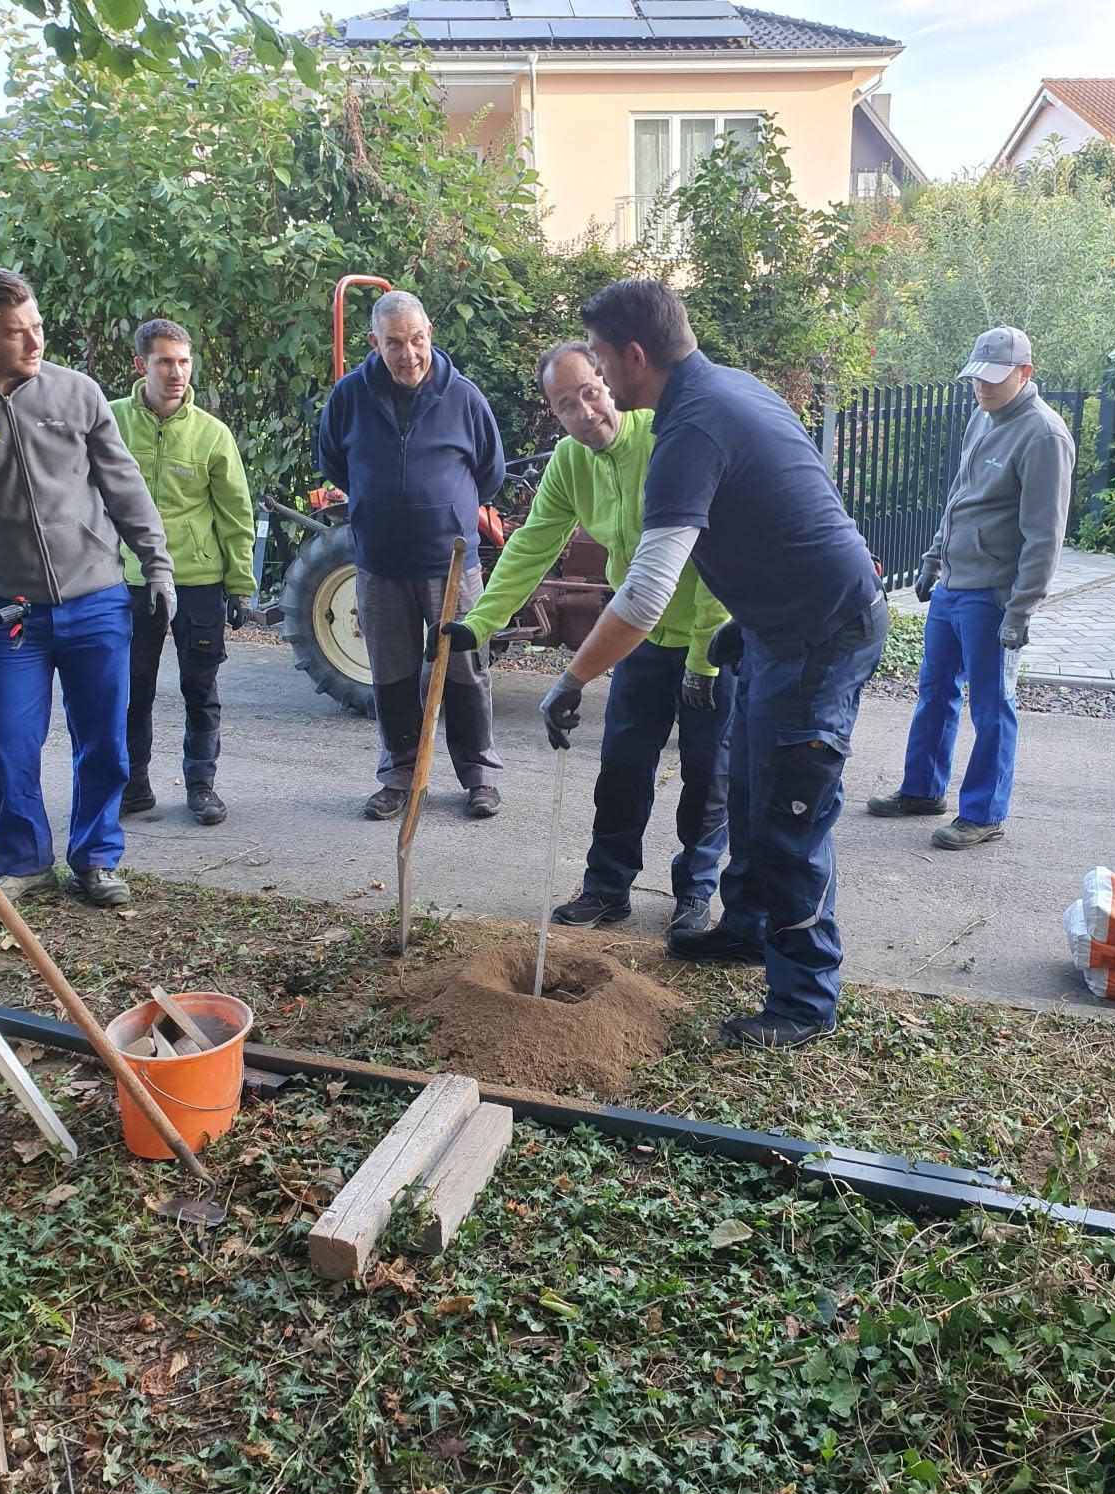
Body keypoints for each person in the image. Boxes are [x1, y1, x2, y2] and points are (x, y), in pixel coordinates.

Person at [538, 279, 888, 1050]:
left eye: (599, 357)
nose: (595, 374)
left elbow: (645, 593)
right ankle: (748, 928)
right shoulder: (732, 389)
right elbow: (780, 507)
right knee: (749, 783)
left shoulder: (689, 430)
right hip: (775, 628)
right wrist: (743, 621)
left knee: (790, 809)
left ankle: (802, 1001)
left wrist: (572, 678)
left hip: (822, 633)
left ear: (633, 356)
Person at [431, 341, 735, 935]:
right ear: (555, 412)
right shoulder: (570, 462)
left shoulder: (662, 437)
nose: (585, 412)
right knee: (622, 766)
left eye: (591, 392)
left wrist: (704, 658)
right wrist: (480, 624)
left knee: (708, 771)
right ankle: (606, 890)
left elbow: (715, 556)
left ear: (609, 383)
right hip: (638, 635)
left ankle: (695, 893)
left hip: (709, 634)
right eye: (566, 404)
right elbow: (530, 546)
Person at [0, 265, 175, 909]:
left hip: (95, 600)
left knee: (104, 741)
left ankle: (95, 857)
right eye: (15, 333)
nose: (35, 343)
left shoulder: (76, 393)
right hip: (7, 609)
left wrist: (158, 563)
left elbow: (124, 487)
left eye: (37, 325)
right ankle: (24, 859)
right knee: (5, 741)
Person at [867, 327, 1075, 849]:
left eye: (994, 377)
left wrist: (1021, 610)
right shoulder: (981, 418)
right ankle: (922, 790)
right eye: (977, 376)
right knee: (935, 692)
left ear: (1025, 373)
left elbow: (1044, 535)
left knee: (991, 705)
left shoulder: (1044, 435)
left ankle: (983, 814)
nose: (982, 386)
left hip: (993, 596)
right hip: (954, 587)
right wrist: (934, 558)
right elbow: (959, 497)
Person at [317, 290, 506, 821]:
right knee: (392, 675)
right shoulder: (350, 397)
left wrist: (445, 510)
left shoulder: (464, 397)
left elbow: (490, 471)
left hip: (451, 566)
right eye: (395, 343)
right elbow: (333, 461)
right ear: (375, 343)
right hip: (379, 563)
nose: (408, 354)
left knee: (467, 672)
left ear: (430, 335)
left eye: (416, 340)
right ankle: (400, 775)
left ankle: (480, 777)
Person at [111, 319, 256, 827]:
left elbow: (236, 514)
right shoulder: (109, 423)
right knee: (132, 689)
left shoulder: (212, 435)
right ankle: (133, 786)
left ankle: (201, 787)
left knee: (200, 687)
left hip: (198, 580)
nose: (177, 373)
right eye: (165, 362)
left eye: (184, 361)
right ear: (140, 365)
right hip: (129, 580)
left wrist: (239, 584)